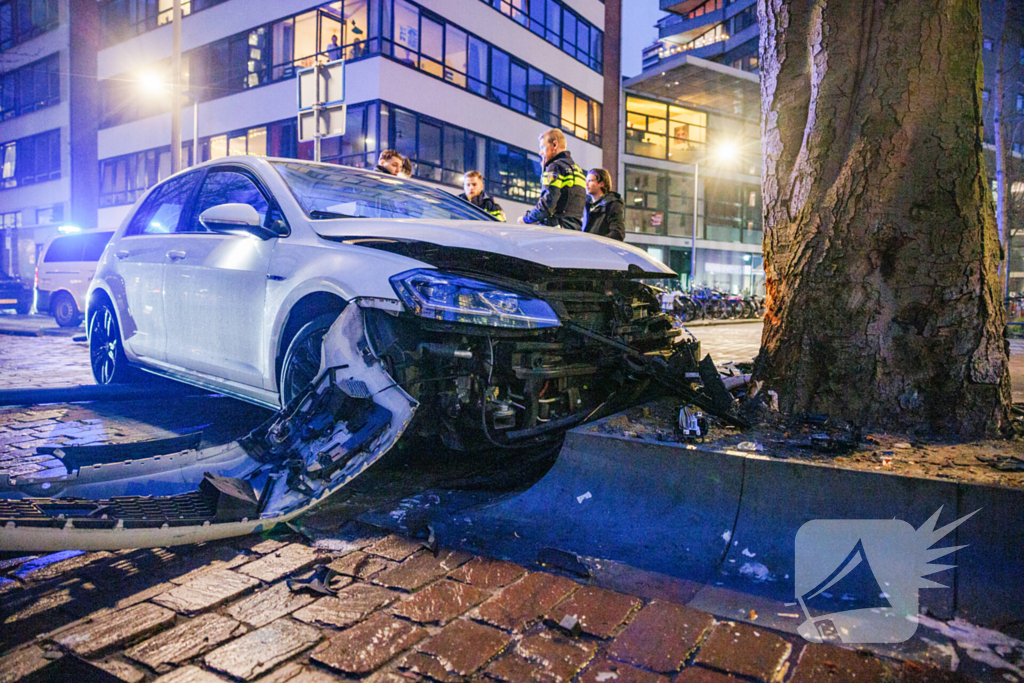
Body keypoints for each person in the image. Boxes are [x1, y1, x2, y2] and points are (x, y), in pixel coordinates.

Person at [518, 129, 586, 230]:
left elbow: (547, 205)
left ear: (555, 145)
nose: (540, 152)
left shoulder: (555, 167)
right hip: (574, 230)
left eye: (542, 147)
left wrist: (525, 219)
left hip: (556, 230)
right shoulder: (577, 170)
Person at [582, 168, 625, 241]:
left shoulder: (612, 204)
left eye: (590, 181)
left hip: (600, 250)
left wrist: (598, 243)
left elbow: (617, 233)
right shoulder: (587, 205)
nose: (586, 184)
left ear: (601, 184)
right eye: (586, 181)